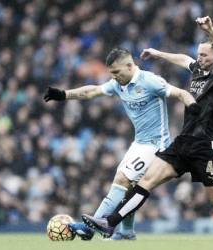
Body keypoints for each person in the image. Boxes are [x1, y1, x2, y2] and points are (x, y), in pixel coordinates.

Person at [82, 16, 213, 242]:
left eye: (204, 55)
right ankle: (110, 223)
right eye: (199, 54)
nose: (199, 59)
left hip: (204, 145)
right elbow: (184, 60)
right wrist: (159, 54)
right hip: (182, 142)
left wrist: (211, 30)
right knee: (145, 181)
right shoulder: (198, 70)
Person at [43, 47, 201, 240]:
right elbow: (93, 91)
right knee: (129, 186)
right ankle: (126, 232)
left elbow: (181, 94)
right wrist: (63, 94)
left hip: (156, 144)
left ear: (129, 65)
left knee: (121, 179)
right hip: (139, 143)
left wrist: (193, 107)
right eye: (112, 73)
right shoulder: (119, 84)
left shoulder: (150, 81)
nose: (114, 77)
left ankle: (90, 228)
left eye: (116, 72)